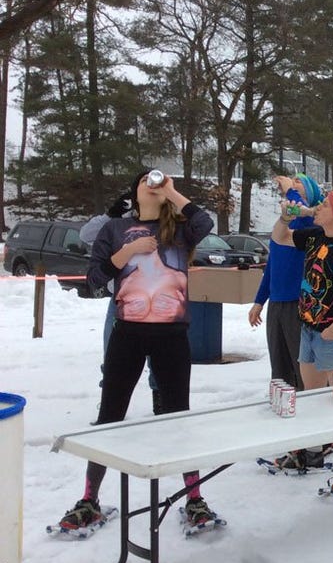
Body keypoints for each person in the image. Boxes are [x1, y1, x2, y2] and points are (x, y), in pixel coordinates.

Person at [58, 170, 217, 533]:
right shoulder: (114, 229)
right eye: (148, 179)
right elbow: (95, 279)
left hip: (172, 334)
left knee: (178, 416)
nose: (155, 183)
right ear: (136, 190)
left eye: (159, 181)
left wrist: (174, 193)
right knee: (109, 414)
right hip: (127, 332)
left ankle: (194, 499)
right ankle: (89, 499)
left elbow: (204, 222)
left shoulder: (178, 229)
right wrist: (127, 251)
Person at [272, 188, 333, 494]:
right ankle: (312, 449)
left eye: (326, 205)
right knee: (311, 394)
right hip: (308, 330)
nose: (318, 207)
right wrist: (284, 217)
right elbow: (281, 238)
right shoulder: (314, 236)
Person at [80, 190, 161, 413]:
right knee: (113, 355)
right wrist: (111, 214)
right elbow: (86, 235)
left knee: (160, 359)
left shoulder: (167, 220)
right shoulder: (119, 222)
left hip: (158, 300)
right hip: (121, 301)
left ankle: (161, 404)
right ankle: (110, 405)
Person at [248, 174, 323, 392]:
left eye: (299, 182)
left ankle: (307, 405)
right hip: (277, 303)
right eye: (293, 181)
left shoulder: (311, 223)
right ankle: (283, 402)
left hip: (298, 302)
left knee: (301, 362)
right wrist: (259, 301)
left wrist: (290, 191)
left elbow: (303, 213)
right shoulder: (283, 224)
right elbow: (272, 266)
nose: (293, 183)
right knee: (279, 365)